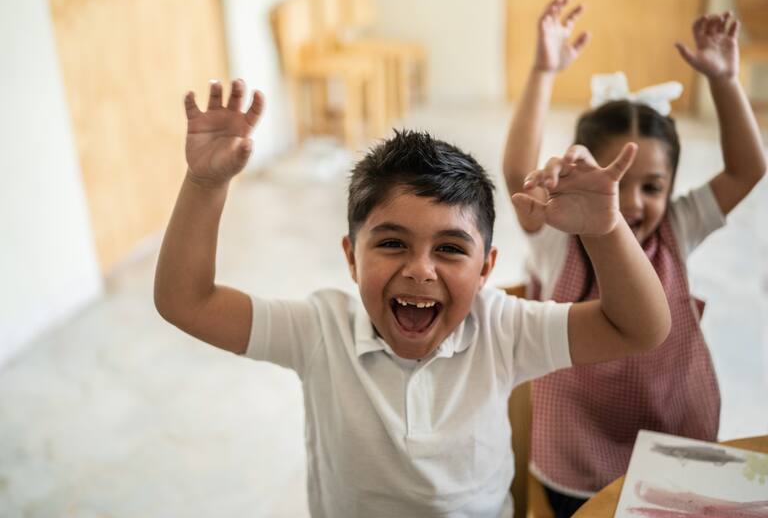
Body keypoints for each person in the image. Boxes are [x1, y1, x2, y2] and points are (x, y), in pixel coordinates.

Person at [154, 78, 671, 518]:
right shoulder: (318, 328)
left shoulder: (503, 328)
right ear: (351, 258)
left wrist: (605, 229)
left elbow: (641, 327)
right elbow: (186, 301)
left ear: (487, 268)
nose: (420, 269)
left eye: (449, 248)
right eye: (392, 242)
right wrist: (204, 182)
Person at [502, 0, 766, 518]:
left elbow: (747, 168)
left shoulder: (678, 226)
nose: (630, 203)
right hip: (574, 450)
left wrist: (724, 81)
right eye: (615, 182)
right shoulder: (558, 235)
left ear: (670, 190)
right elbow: (516, 174)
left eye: (652, 186)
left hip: (666, 435)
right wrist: (541, 70)